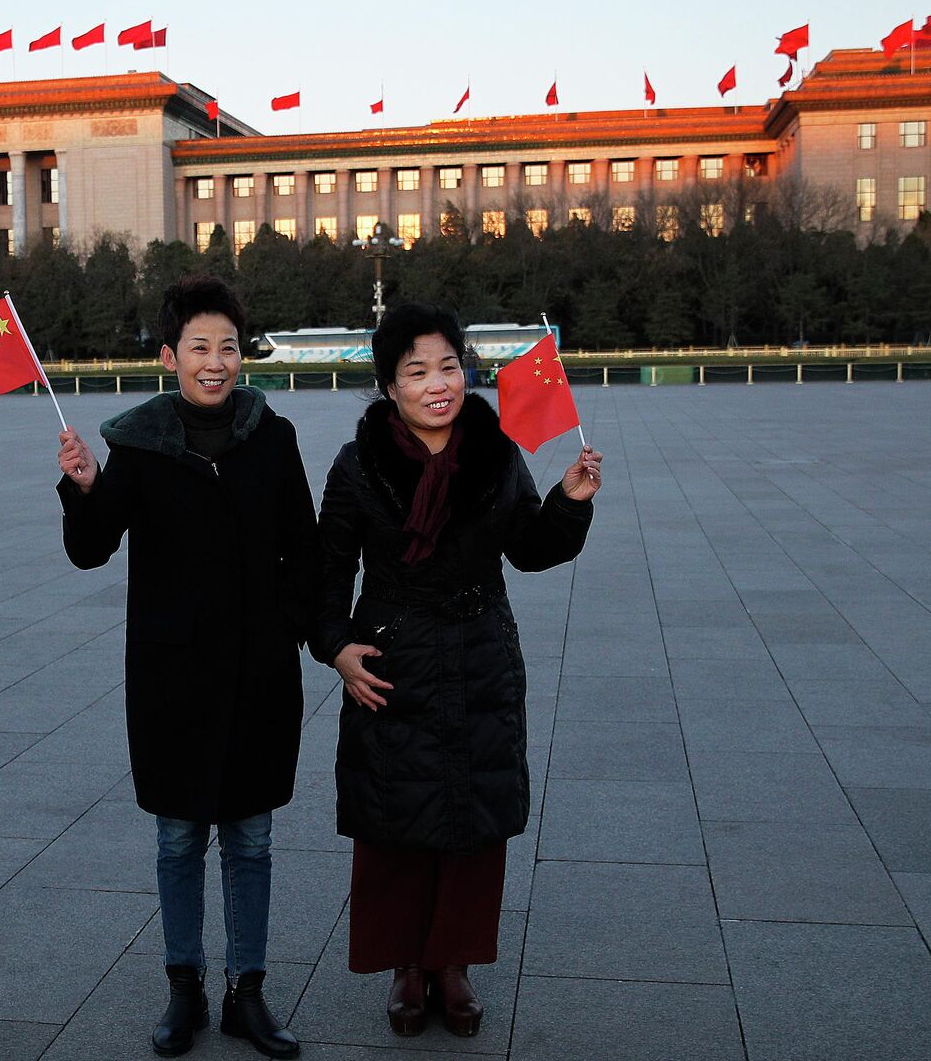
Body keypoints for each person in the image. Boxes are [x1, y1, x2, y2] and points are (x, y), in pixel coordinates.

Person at [312, 303, 599, 1038]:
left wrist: (568, 501)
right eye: (417, 372)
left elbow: (531, 549)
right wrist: (336, 647)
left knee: (474, 818)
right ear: (388, 386)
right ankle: (406, 966)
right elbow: (325, 571)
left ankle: (453, 964)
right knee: (394, 817)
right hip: (392, 662)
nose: (437, 384)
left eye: (447, 366)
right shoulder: (357, 466)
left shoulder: (495, 452)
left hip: (478, 657)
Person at [55, 275, 318, 1059]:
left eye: (228, 347)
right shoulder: (138, 444)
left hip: (258, 676)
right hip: (172, 682)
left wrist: (312, 634)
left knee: (252, 838)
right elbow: (89, 548)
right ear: (170, 356)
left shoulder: (273, 436)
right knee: (178, 840)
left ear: (243, 354)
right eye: (199, 348)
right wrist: (86, 487)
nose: (215, 362)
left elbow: (303, 549)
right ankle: (184, 988)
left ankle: (249, 993)